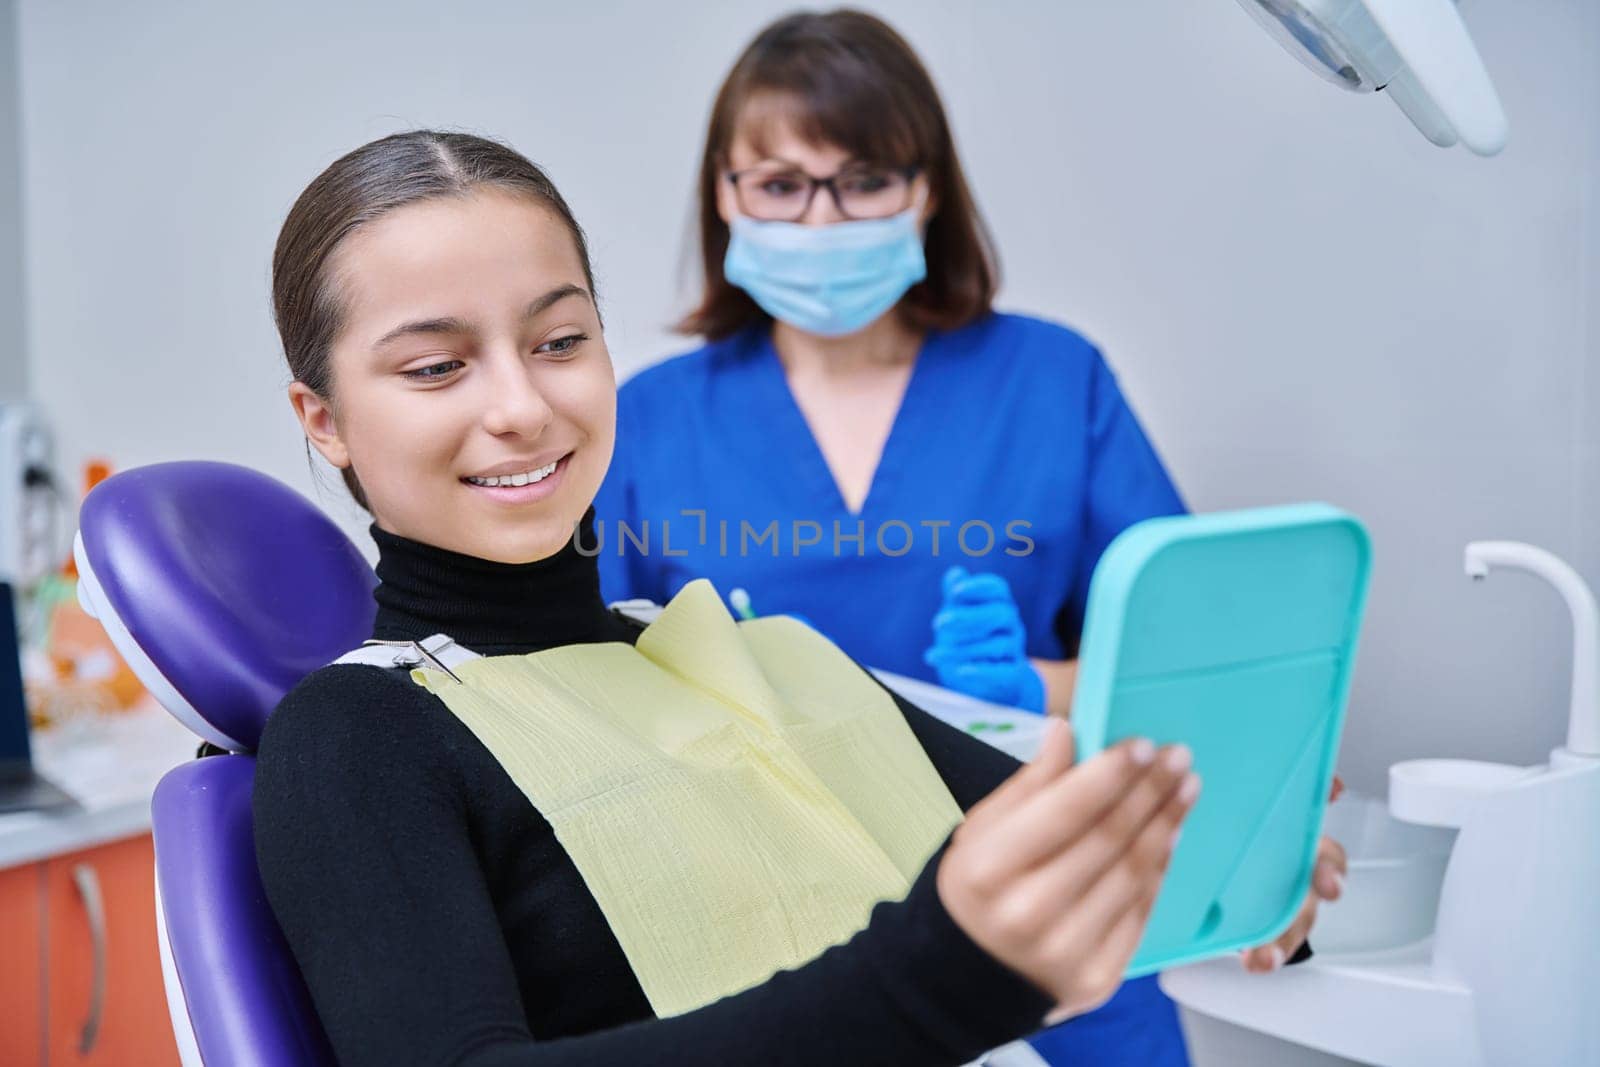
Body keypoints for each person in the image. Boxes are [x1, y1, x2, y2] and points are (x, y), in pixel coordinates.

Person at [252, 129, 1204, 1067]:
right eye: (436, 367)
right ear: (325, 420)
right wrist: (927, 986)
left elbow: (1069, 831)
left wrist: (1245, 868)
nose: (523, 406)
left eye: (559, 340)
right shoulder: (359, 734)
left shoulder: (756, 650)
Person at [592, 11, 1347, 1065]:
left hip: (1062, 935)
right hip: (774, 964)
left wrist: (1030, 686)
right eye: (779, 184)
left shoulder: (1052, 380)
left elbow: (1195, 675)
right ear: (724, 194)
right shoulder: (648, 421)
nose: (820, 218)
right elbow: (580, 707)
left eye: (862, 180)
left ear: (927, 187)